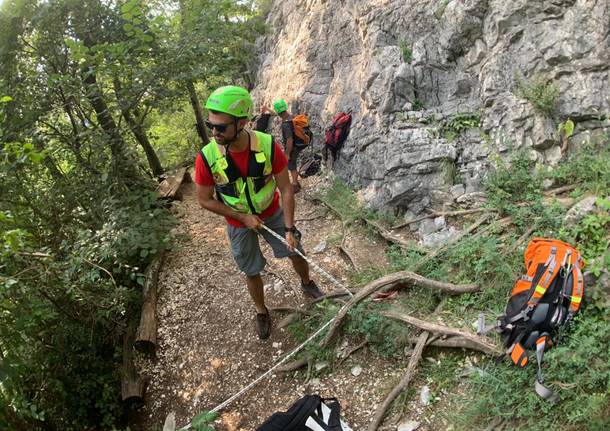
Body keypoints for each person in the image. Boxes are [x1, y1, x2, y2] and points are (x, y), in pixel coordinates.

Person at [194, 86, 324, 340]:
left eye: (221, 127)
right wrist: (242, 217)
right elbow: (204, 200)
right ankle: (261, 310)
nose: (214, 132)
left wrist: (288, 228)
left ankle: (307, 283)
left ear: (241, 122)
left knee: (295, 249)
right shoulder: (207, 157)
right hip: (238, 222)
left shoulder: (267, 146)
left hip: (271, 212)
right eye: (211, 125)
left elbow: (286, 188)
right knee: (250, 269)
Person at [273, 99, 303, 193]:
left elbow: (289, 139)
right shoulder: (292, 117)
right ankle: (296, 182)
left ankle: (295, 185)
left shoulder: (286, 124)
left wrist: (287, 153)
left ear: (278, 112)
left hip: (292, 147)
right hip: (297, 145)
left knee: (292, 165)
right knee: (292, 164)